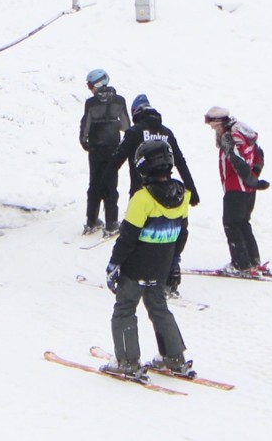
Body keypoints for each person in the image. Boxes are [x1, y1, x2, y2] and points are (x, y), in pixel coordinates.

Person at [101, 139, 192, 379]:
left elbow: (127, 238)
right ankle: (174, 357)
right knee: (159, 308)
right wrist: (174, 262)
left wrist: (114, 264)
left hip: (136, 268)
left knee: (124, 310)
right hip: (161, 267)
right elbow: (181, 234)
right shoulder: (183, 195)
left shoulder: (142, 199)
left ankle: (127, 361)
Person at [204, 106, 269, 276]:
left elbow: (236, 160)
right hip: (248, 189)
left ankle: (241, 264)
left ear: (219, 123)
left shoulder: (228, 136)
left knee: (231, 224)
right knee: (243, 223)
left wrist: (249, 179)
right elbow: (259, 154)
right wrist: (253, 178)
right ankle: (253, 261)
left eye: (213, 126)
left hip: (235, 188)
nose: (212, 129)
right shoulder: (243, 132)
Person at [78, 69, 130, 236]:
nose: (90, 89)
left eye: (90, 85)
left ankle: (91, 220)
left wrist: (84, 142)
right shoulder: (119, 101)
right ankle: (111, 223)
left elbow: (85, 124)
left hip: (95, 149)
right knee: (110, 184)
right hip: (113, 149)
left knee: (94, 184)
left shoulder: (91, 103)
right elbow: (126, 126)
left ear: (98, 83)